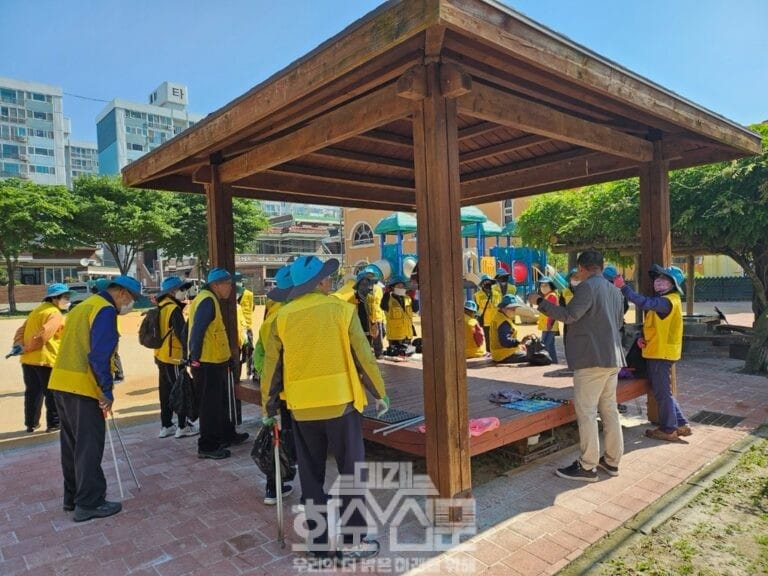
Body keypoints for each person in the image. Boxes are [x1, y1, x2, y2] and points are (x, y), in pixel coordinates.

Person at [262, 255, 389, 561]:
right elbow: (364, 358)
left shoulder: (281, 318)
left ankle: (318, 545)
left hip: (302, 409)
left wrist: (268, 407)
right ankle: (353, 541)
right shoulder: (342, 311)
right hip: (341, 405)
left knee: (311, 477)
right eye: (326, 276)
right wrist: (380, 393)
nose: (330, 280)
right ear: (317, 282)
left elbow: (271, 369)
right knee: (351, 474)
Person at [48, 275, 141, 522]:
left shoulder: (83, 307)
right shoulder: (105, 310)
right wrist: (106, 390)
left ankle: (73, 498)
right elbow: (99, 355)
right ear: (121, 293)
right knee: (89, 447)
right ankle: (89, 503)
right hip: (83, 387)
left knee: (72, 447)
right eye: (131, 298)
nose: (130, 304)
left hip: (61, 383)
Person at [528, 250, 625, 482]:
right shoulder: (615, 291)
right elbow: (618, 321)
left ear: (582, 268)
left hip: (591, 359)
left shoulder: (587, 287)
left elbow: (570, 315)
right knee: (609, 409)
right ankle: (611, 462)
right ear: (601, 266)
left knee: (587, 412)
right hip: (612, 358)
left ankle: (587, 465)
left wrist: (540, 302)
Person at [614, 265, 691, 441]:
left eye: (664, 280)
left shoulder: (666, 301)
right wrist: (642, 337)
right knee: (664, 392)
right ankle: (680, 423)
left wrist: (623, 287)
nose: (659, 282)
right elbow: (656, 326)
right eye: (657, 279)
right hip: (659, 351)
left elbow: (644, 303)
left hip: (660, 354)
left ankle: (669, 429)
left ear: (673, 285)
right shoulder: (667, 300)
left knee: (662, 393)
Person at [187, 268, 249, 460]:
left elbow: (189, 329)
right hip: (207, 363)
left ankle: (226, 435)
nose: (231, 288)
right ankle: (208, 446)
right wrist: (194, 357)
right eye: (228, 284)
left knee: (221, 402)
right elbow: (197, 331)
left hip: (215, 360)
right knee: (210, 406)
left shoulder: (207, 298)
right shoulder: (207, 300)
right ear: (216, 285)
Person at [256, 265, 296, 505]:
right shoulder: (294, 314)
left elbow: (262, 357)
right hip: (292, 388)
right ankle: (278, 484)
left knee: (277, 436)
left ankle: (275, 485)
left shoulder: (271, 314)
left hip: (274, 386)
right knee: (288, 436)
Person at [13, 283, 74, 433]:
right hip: (45, 359)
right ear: (54, 298)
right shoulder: (54, 313)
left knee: (32, 392)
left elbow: (21, 330)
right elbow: (43, 335)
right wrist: (27, 347)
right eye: (65, 297)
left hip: (28, 360)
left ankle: (31, 424)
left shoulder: (36, 311)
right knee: (52, 393)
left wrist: (19, 346)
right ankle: (54, 424)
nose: (67, 300)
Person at [154, 276, 198, 439]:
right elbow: (182, 335)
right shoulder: (173, 310)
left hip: (160, 355)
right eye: (182, 289)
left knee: (165, 392)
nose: (185, 292)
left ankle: (166, 425)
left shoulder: (161, 306)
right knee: (180, 390)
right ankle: (182, 425)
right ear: (172, 291)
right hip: (173, 357)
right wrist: (189, 354)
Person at [381, 275, 418, 348]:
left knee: (407, 356)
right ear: (392, 288)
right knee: (396, 357)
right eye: (398, 286)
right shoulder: (388, 300)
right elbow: (383, 306)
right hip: (395, 337)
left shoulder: (408, 298)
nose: (401, 288)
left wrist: (413, 298)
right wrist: (386, 293)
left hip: (407, 335)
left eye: (402, 286)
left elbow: (416, 309)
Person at [490, 295, 528, 363]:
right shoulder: (503, 321)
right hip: (504, 354)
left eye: (515, 309)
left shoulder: (498, 316)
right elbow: (505, 342)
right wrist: (520, 342)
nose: (514, 311)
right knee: (535, 356)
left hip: (497, 353)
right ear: (503, 308)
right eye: (512, 309)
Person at [235, 272, 255, 379]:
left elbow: (252, 308)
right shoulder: (229, 294)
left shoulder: (249, 294)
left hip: (247, 327)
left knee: (249, 351)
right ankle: (237, 374)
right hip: (237, 327)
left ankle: (249, 373)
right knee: (236, 352)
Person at [474, 274, 501, 352]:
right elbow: (477, 309)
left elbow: (499, 306)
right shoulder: (477, 295)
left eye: (488, 282)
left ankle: (496, 351)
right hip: (485, 320)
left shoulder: (497, 293)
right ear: (482, 284)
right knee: (488, 338)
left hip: (496, 319)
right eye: (485, 282)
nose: (487, 284)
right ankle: (489, 352)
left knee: (497, 338)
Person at [536, 277, 560, 364]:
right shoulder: (548, 296)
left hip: (549, 325)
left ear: (550, 286)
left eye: (546, 285)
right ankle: (554, 362)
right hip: (547, 325)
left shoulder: (551, 296)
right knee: (551, 345)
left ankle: (545, 362)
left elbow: (551, 311)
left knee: (545, 345)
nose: (543, 287)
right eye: (542, 285)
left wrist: (550, 324)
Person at [363, 267, 385, 358]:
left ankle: (377, 350)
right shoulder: (363, 289)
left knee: (381, 333)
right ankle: (377, 352)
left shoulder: (379, 288)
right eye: (368, 276)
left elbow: (381, 301)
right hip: (369, 316)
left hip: (379, 314)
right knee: (373, 335)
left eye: (371, 276)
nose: (370, 278)